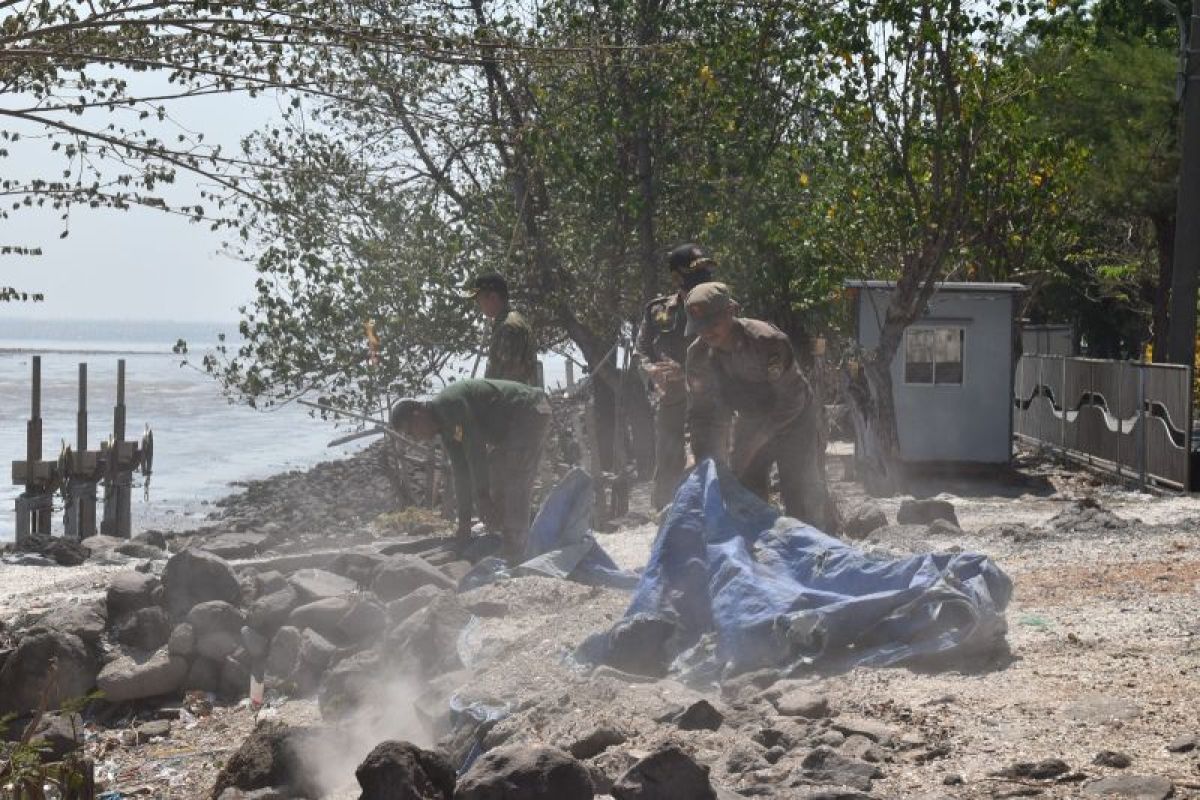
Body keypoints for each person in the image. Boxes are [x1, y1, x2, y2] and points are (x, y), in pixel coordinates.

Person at [683, 282, 834, 530]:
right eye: (700, 327)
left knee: (799, 490)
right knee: (745, 487)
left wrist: (758, 439)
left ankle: (818, 550)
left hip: (794, 419)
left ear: (732, 311)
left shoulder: (766, 341)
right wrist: (706, 461)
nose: (707, 332)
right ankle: (761, 552)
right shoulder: (698, 355)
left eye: (713, 323)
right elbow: (703, 414)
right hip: (751, 417)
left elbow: (792, 399)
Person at [391, 379, 551, 560]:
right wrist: (464, 523)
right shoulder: (447, 430)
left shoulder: (449, 405)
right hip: (517, 422)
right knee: (497, 472)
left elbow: (476, 449)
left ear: (418, 414)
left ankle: (517, 550)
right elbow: (461, 473)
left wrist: (483, 497)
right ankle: (513, 535)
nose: (415, 438)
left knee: (512, 474)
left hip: (530, 408)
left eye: (411, 431)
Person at [634, 243, 716, 509]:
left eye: (706, 269)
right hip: (670, 401)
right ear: (677, 276)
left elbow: (726, 353)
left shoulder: (718, 306)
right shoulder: (657, 310)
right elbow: (641, 351)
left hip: (709, 399)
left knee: (710, 461)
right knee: (668, 465)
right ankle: (665, 521)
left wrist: (688, 374)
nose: (704, 275)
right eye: (696, 270)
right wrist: (651, 371)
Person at [470, 272, 539, 385]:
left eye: (479, 300)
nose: (479, 305)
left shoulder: (508, 327)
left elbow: (505, 382)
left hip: (511, 400)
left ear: (493, 297)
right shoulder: (512, 321)